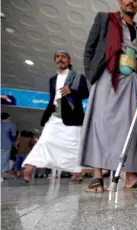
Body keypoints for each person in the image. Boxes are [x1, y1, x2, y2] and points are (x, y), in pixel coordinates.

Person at [79, 0, 137, 192]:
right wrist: (93, 76)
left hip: (132, 80)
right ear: (120, 2)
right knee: (100, 124)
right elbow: (90, 48)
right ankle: (97, 176)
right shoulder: (105, 19)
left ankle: (131, 177)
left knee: (132, 127)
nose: (131, 1)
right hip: (107, 76)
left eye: (135, 0)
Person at [22, 50, 89, 184]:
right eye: (57, 57)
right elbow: (53, 97)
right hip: (54, 116)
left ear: (69, 61)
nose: (60, 59)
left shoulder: (77, 77)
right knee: (44, 141)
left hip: (72, 117)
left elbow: (85, 93)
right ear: (55, 61)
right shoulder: (52, 79)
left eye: (63, 57)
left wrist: (72, 91)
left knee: (74, 145)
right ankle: (30, 165)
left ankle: (76, 173)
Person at [1, 112, 16, 177]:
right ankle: (2, 173)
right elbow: (13, 136)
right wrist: (13, 144)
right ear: (8, 117)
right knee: (4, 159)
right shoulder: (11, 125)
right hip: (6, 145)